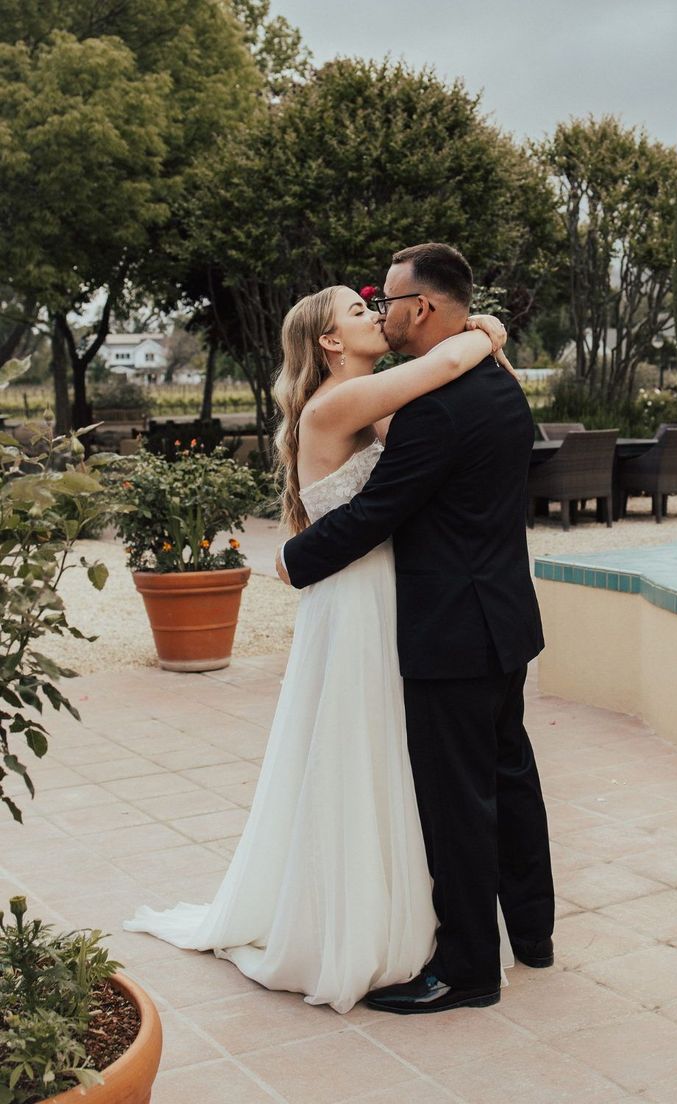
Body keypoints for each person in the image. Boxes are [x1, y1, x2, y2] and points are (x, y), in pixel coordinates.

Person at [123, 279, 513, 1014]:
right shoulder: (338, 403)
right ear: (330, 342)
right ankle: (349, 923)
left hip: (388, 591)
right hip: (353, 597)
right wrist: (482, 332)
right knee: (355, 745)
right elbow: (440, 368)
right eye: (360, 312)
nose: (377, 316)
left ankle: (410, 915)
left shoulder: (378, 401)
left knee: (390, 750)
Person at [278, 243, 555, 1015]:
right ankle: (533, 934)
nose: (383, 309)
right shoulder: (498, 385)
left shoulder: (433, 407)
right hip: (503, 616)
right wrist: (485, 335)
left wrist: (295, 560)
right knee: (510, 778)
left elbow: (375, 513)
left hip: (450, 630)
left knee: (459, 801)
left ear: (422, 308)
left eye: (388, 300)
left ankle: (468, 969)